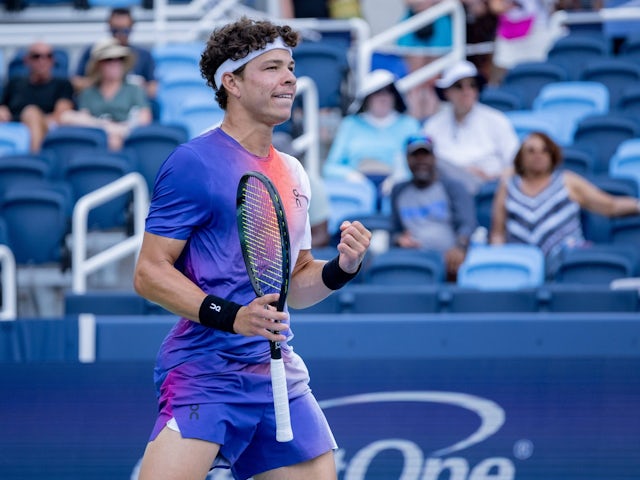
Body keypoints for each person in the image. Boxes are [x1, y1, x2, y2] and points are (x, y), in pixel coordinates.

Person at [132, 17, 371, 480]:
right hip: (205, 368)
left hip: (275, 372)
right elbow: (149, 272)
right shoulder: (192, 162)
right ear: (232, 82)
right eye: (272, 68)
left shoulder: (295, 173)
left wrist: (342, 268)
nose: (289, 78)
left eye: (291, 67)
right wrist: (234, 317)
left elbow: (294, 287)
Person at [490, 131, 640, 274]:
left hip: (566, 261)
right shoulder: (508, 187)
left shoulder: (567, 181)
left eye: (545, 150)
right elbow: (498, 233)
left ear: (552, 155)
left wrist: (637, 205)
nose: (538, 156)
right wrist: (499, 261)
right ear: (521, 157)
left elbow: (609, 205)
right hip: (522, 264)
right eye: (531, 151)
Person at [423, 59, 519, 194]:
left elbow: (516, 164)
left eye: (472, 85)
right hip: (445, 191)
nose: (466, 91)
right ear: (446, 92)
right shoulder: (433, 125)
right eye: (458, 86)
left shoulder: (496, 120)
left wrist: (493, 177)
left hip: (488, 190)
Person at [390, 134, 477, 281]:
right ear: (407, 159)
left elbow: (467, 224)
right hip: (413, 261)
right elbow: (395, 230)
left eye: (425, 155)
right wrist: (399, 239)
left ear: (434, 158)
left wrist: (460, 248)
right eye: (415, 156)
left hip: (449, 260)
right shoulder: (398, 191)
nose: (420, 160)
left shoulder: (453, 187)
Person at [323, 69, 422, 194]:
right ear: (367, 97)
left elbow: (420, 162)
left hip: (398, 191)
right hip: (356, 190)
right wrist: (351, 176)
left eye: (388, 91)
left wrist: (398, 179)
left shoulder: (409, 125)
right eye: (377, 92)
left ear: (395, 96)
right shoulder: (350, 124)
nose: (383, 98)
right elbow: (330, 167)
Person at [61, 38, 152, 151]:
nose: (115, 64)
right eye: (109, 60)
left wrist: (120, 130)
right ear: (99, 65)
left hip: (128, 138)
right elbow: (81, 119)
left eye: (119, 59)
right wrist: (106, 127)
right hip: (95, 138)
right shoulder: (88, 93)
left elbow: (144, 119)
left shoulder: (134, 89)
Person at [0, 41, 74, 152]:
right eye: (36, 56)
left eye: (48, 56)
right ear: (27, 60)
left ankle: (34, 161)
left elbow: (60, 114)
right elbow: (3, 106)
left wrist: (33, 120)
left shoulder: (62, 84)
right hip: (13, 129)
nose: (42, 61)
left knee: (31, 112)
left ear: (53, 60)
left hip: (44, 127)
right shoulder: (15, 83)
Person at [73, 8, 157, 99]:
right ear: (109, 27)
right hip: (98, 103)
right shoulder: (93, 51)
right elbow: (76, 82)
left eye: (125, 31)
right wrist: (102, 81)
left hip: (132, 105)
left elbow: (153, 89)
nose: (119, 35)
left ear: (132, 27)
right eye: (115, 30)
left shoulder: (144, 55)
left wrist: (138, 86)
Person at [488, 0, 554, 84]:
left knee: (538, 72)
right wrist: (508, 5)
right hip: (511, 34)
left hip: (538, 31)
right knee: (504, 75)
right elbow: (495, 6)